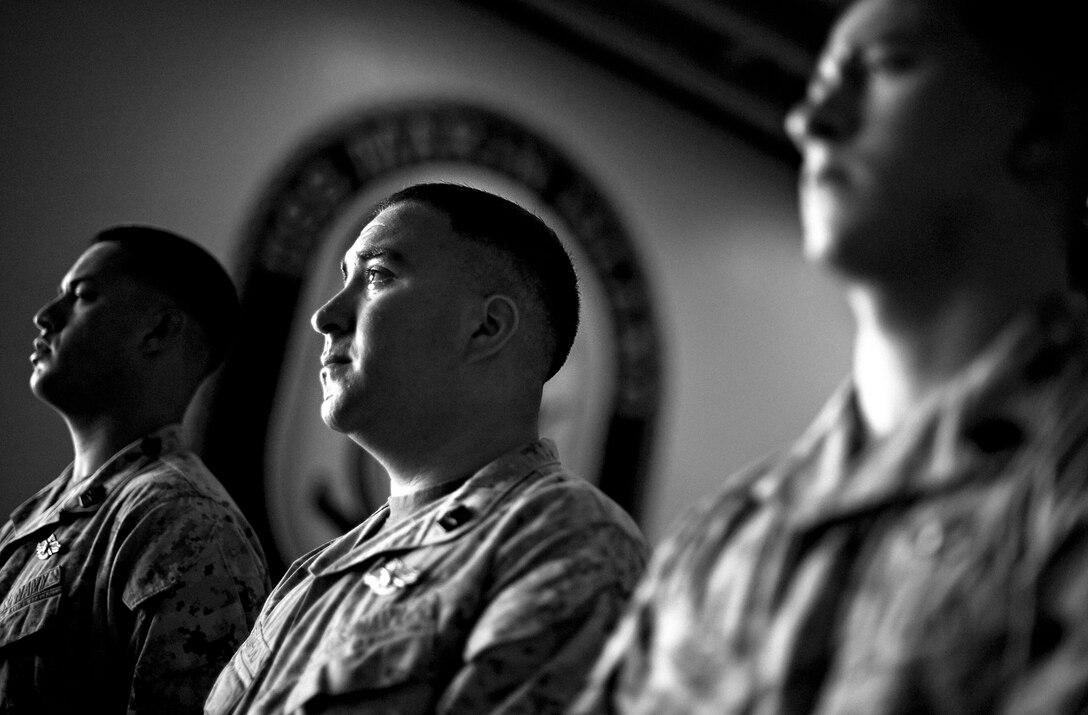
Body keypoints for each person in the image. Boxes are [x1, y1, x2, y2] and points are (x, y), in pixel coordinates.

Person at [575, 0, 1088, 712]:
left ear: (1036, 130)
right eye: (819, 82)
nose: (810, 122)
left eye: (883, 66)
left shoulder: (1065, 471)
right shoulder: (723, 535)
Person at [205, 183, 647, 713]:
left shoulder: (567, 541)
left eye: (376, 277)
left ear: (486, 327)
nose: (325, 317)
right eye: (345, 278)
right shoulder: (313, 574)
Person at [0, 225, 271, 712]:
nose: (44, 317)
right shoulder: (33, 519)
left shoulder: (185, 523)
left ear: (160, 331)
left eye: (82, 296)